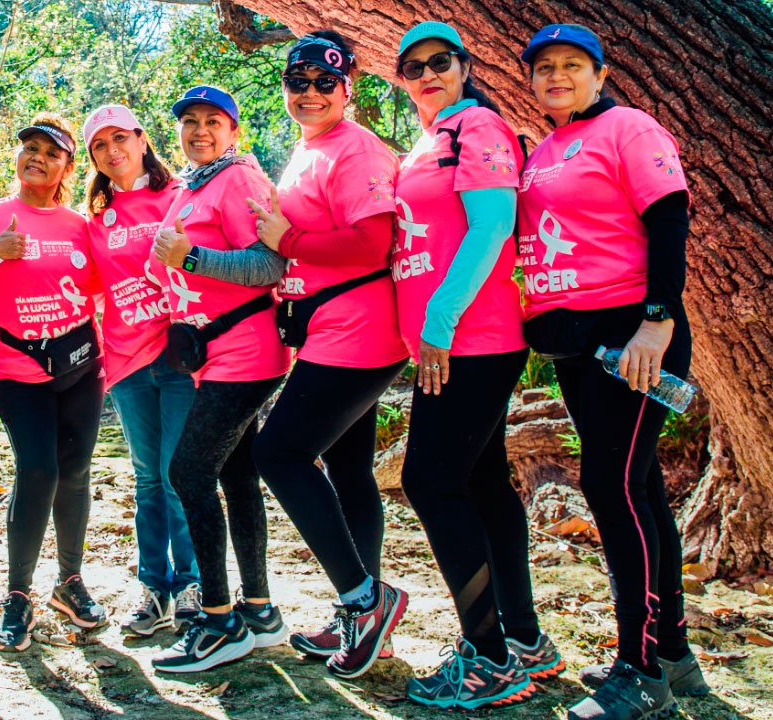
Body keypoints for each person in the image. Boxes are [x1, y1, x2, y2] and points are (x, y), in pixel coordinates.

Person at [516, 24, 705, 720]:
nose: (556, 76)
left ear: (600, 73)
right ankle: (674, 654)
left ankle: (641, 668)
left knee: (610, 483)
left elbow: (668, 220)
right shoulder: (547, 149)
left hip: (634, 337)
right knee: (641, 487)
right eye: (544, 68)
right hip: (580, 346)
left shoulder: (629, 127)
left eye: (572, 65)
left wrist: (657, 320)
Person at [390, 22, 556, 710]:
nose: (427, 73)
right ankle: (524, 638)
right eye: (413, 67)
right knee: (484, 486)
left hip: (471, 339)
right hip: (451, 341)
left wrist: (439, 321)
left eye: (440, 62)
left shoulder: (477, 125)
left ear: (464, 66)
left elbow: (492, 226)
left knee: (427, 481)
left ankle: (487, 658)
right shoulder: (427, 141)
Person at [247, 31, 411, 680]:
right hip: (328, 331)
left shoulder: (357, 148)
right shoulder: (309, 150)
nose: (309, 92)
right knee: (348, 471)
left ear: (349, 89)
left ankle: (365, 601)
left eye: (324, 81)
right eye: (298, 80)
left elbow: (371, 244)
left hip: (359, 330)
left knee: (277, 452)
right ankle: (365, 624)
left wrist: (287, 238)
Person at [0, 113, 107, 653]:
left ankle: (70, 582)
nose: (38, 157)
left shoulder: (81, 225)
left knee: (77, 469)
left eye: (52, 152)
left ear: (67, 166)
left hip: (81, 365)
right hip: (17, 370)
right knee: (38, 468)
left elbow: (105, 290)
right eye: (29, 148)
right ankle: (17, 595)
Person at [148, 86, 292, 673]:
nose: (199, 130)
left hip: (247, 350)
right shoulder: (194, 182)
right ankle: (258, 611)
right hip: (213, 354)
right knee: (235, 473)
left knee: (187, 470)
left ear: (235, 130)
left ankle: (216, 620)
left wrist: (194, 260)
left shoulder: (240, 181)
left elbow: (270, 263)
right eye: (189, 121)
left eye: (213, 121)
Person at [81, 104, 203, 637]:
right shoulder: (96, 221)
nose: (113, 150)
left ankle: (194, 586)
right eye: (100, 144)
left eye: (120, 138)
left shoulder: (180, 193)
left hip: (178, 357)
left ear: (141, 139)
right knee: (148, 479)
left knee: (180, 475)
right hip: (127, 362)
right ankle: (153, 588)